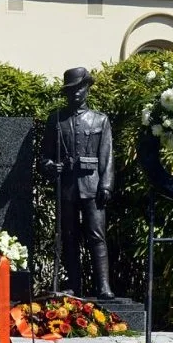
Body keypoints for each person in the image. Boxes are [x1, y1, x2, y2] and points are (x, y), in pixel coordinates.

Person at [41, 66, 116, 300]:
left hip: (93, 187)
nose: (75, 93)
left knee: (96, 235)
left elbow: (107, 155)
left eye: (80, 88)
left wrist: (106, 185)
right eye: (71, 89)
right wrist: (51, 167)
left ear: (87, 88)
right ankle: (74, 284)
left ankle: (103, 286)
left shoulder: (100, 120)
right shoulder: (56, 120)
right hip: (67, 187)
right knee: (69, 236)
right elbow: (44, 157)